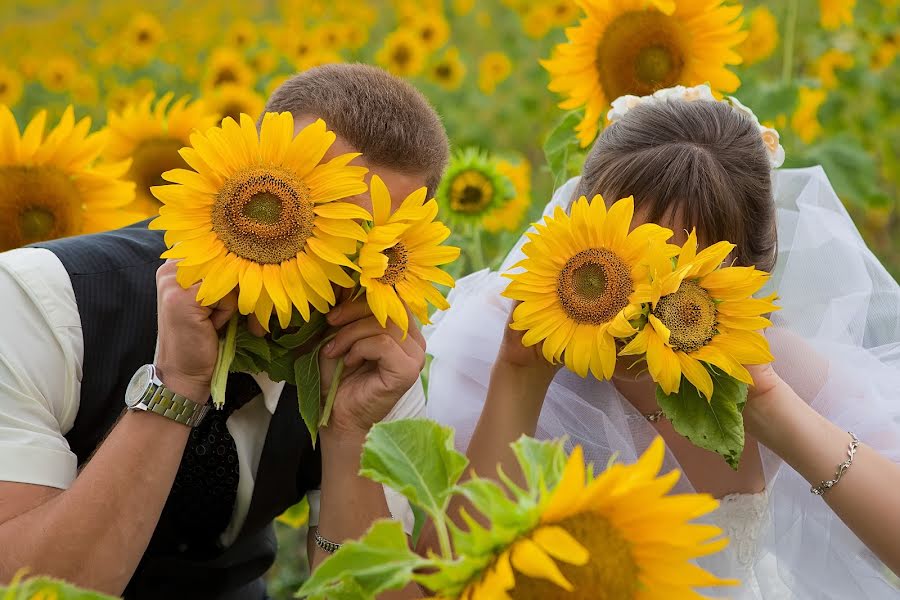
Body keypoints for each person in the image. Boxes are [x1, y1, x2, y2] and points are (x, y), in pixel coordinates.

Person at [425, 93, 900, 598]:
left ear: (746, 278)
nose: (638, 308)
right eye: (618, 267)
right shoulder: (492, 351)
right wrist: (518, 376)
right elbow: (445, 582)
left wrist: (768, 406)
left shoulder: (774, 367)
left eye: (676, 278)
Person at [0, 63, 446, 599]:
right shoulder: (45, 301)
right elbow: (27, 589)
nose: (332, 266)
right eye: (313, 216)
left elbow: (365, 592)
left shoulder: (380, 351)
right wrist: (176, 384)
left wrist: (350, 435)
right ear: (250, 180)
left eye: (366, 250)